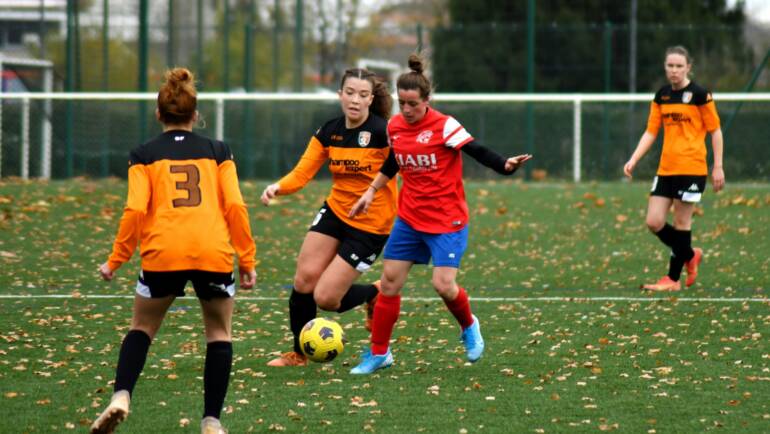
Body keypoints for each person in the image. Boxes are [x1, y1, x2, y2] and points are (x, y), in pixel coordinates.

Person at [90, 68, 256, 434]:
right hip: (211, 253)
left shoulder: (143, 155)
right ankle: (212, 421)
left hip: (163, 254)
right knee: (218, 334)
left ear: (158, 114)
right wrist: (247, 259)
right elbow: (236, 207)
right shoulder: (218, 151)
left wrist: (115, 260)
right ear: (195, 115)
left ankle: (120, 396)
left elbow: (134, 210)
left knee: (143, 328)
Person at [347, 53, 532, 375]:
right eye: (402, 103)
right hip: (409, 218)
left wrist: (505, 165)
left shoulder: (445, 125)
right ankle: (379, 353)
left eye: (413, 104)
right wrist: (371, 191)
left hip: (447, 219)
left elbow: (476, 150)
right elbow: (394, 162)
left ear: (427, 101)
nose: (406, 110)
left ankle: (469, 325)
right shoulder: (394, 126)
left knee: (443, 284)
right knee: (389, 283)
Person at [260, 68, 397, 367]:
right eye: (350, 93)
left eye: (363, 95)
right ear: (340, 95)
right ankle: (298, 353)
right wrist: (277, 188)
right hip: (336, 212)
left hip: (372, 224)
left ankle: (373, 294)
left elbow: (402, 162)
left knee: (326, 298)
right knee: (304, 279)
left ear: (371, 99)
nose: (355, 100)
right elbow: (302, 172)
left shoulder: (383, 132)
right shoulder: (329, 131)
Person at [624, 45, 724, 292]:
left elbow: (715, 131)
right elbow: (651, 131)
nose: (674, 71)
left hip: (691, 169)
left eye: (679, 66)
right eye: (670, 66)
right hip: (666, 169)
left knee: (682, 223)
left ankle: (672, 279)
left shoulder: (701, 95)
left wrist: (718, 166)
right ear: (665, 67)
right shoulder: (662, 96)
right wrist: (634, 159)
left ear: (688, 67)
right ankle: (690, 254)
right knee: (654, 221)